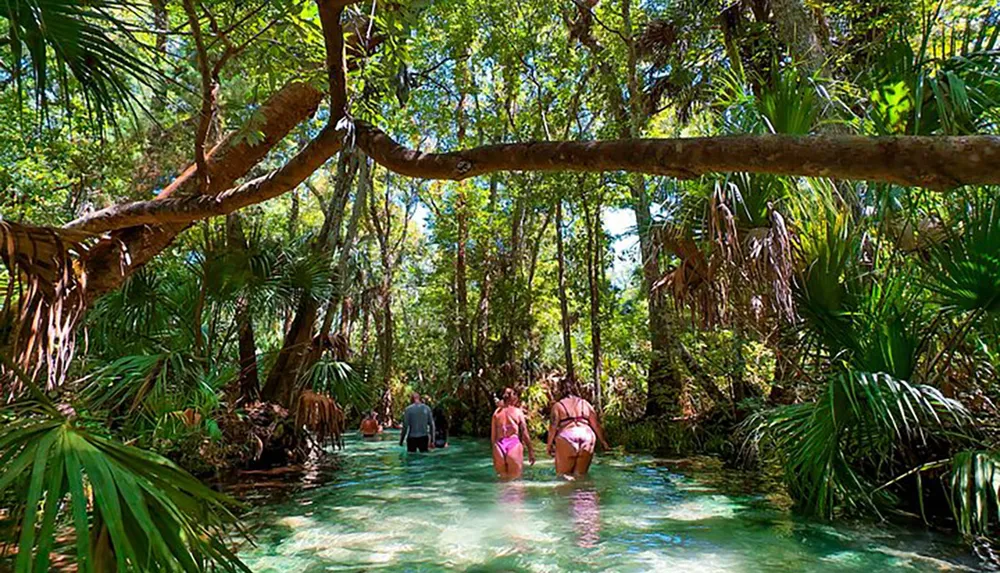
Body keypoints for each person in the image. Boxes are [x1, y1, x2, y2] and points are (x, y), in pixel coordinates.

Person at [546, 377, 610, 478]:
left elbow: (553, 427)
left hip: (567, 436)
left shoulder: (558, 406)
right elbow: (596, 425)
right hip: (587, 436)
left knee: (563, 476)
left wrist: (549, 445)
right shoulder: (586, 404)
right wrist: (603, 442)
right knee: (581, 475)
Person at [492, 387, 535, 480]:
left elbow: (493, 437)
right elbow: (524, 433)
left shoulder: (496, 413)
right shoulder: (517, 412)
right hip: (513, 444)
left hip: (499, 446)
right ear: (513, 398)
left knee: (502, 481)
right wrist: (531, 451)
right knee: (516, 481)